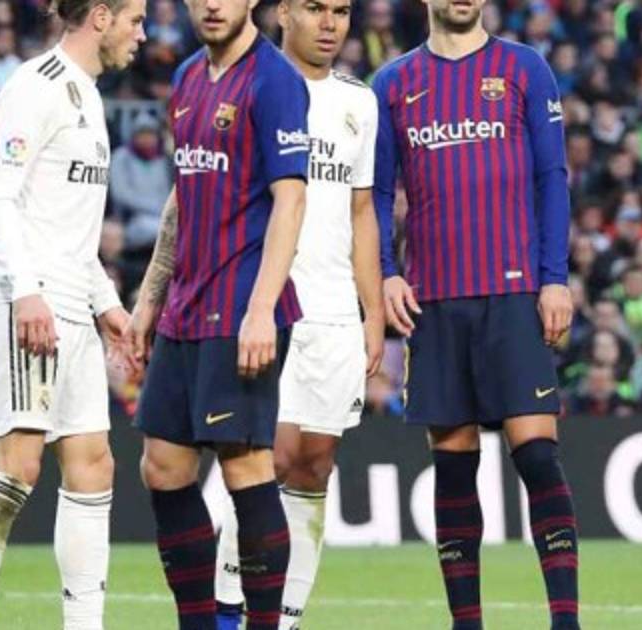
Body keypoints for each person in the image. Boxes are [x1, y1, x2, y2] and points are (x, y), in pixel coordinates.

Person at [371, 0, 579, 627]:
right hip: (433, 300)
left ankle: (566, 621)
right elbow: (375, 193)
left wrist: (554, 278)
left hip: (514, 294)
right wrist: (385, 271)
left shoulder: (524, 68)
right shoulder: (393, 83)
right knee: (455, 469)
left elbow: (552, 176)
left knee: (537, 456)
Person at [0, 1, 145, 629]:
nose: (142, 34)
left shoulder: (89, 97)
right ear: (101, 17)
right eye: (135, 19)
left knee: (94, 463)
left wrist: (107, 305)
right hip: (23, 299)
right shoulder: (35, 85)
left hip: (70, 300)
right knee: (18, 470)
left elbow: (70, 231)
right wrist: (26, 291)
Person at [122, 0, 310, 625]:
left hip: (241, 308)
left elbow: (290, 202)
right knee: (163, 467)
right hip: (187, 305)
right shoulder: (186, 78)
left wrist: (261, 309)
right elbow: (183, 194)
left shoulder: (275, 80)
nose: (211, 4)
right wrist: (150, 297)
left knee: (245, 466)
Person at [210, 0, 384, 626]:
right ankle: (228, 613)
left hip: (335, 310)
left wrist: (371, 311)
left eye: (340, 11)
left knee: (314, 466)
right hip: (268, 306)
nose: (330, 23)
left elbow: (362, 211)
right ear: (283, 12)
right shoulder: (250, 86)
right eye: (314, 8)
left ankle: (284, 619)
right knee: (266, 462)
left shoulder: (360, 102)